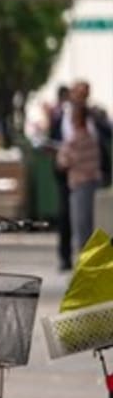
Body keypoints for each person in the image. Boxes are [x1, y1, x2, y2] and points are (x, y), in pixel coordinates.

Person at [51, 80, 112, 265]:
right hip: (72, 178)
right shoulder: (62, 116)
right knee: (70, 217)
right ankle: (67, 256)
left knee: (84, 222)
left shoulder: (93, 117)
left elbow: (106, 134)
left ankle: (87, 260)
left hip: (84, 177)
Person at [47, 85, 73, 269]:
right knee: (65, 213)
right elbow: (52, 138)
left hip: (83, 173)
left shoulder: (89, 118)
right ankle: (65, 256)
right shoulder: (59, 117)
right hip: (65, 171)